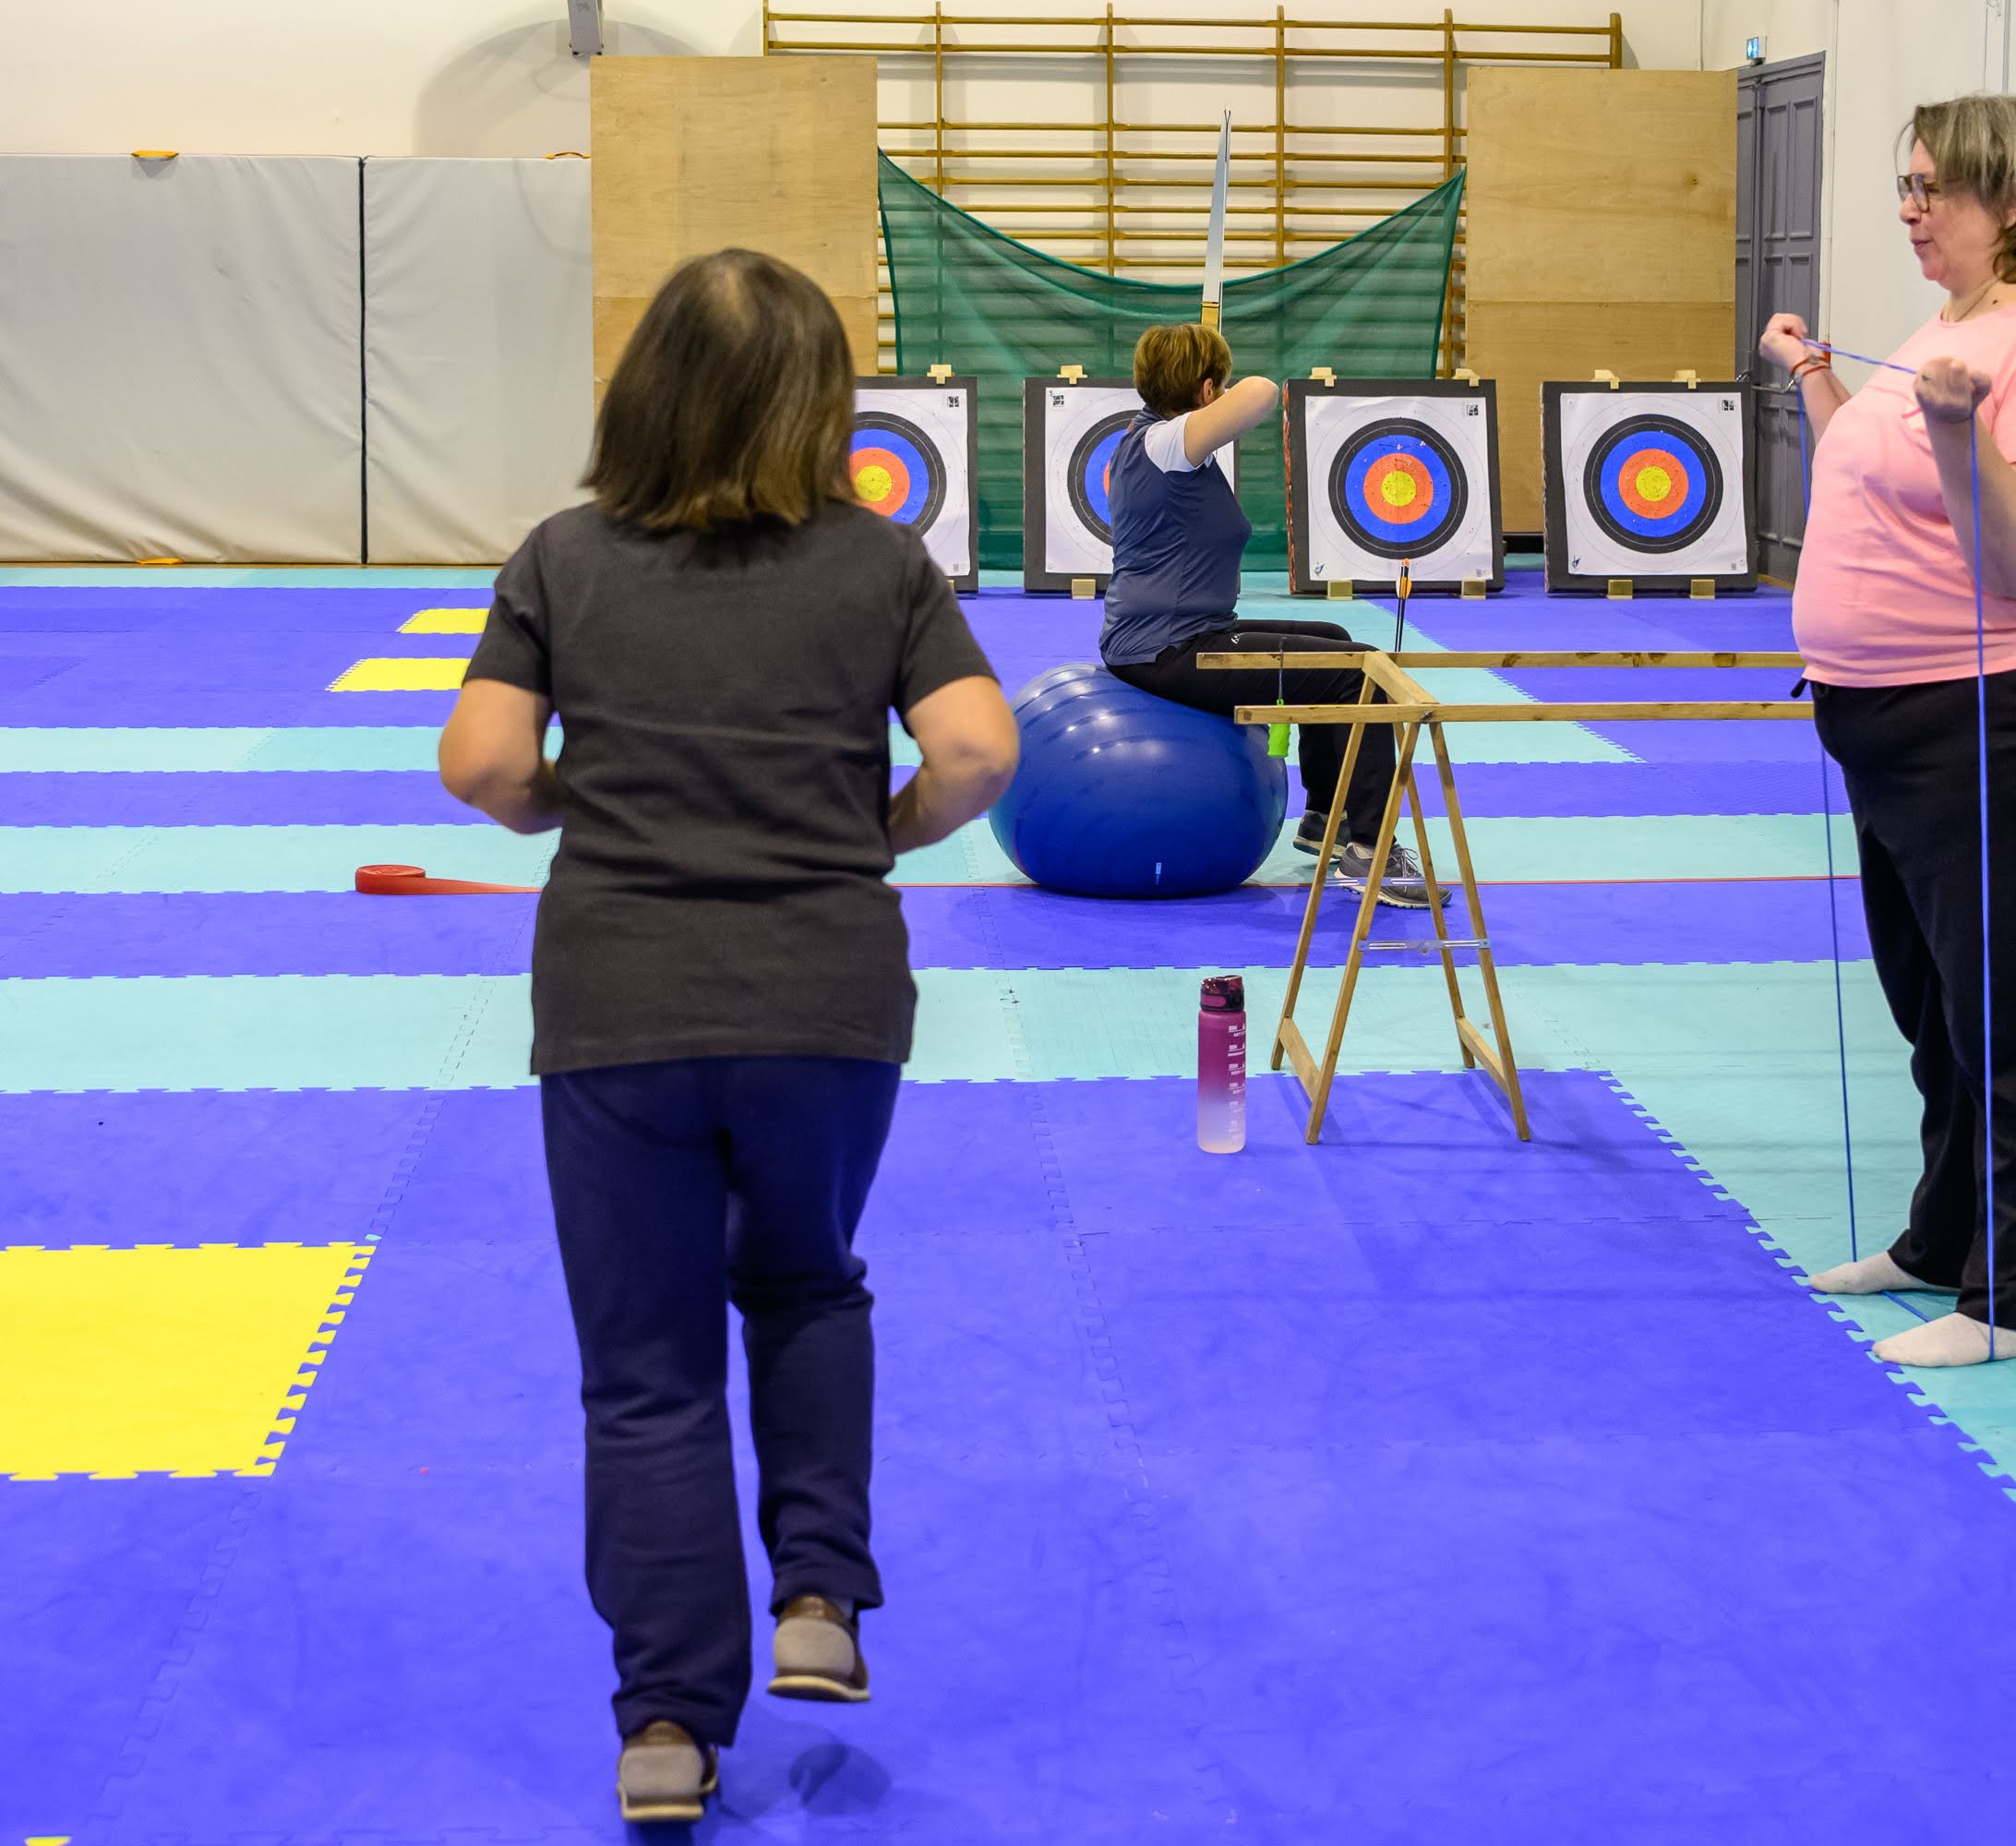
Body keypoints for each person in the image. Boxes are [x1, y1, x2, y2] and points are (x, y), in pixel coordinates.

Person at [436, 248, 1018, 1821]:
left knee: (645, 1373)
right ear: (824, 407)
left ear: (644, 396)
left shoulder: (564, 556)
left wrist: (588, 802)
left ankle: (669, 1731)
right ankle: (817, 1598)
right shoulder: (881, 561)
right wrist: (879, 830)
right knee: (807, 1282)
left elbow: (480, 764)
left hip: (618, 1000)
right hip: (828, 998)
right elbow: (977, 750)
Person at [1758, 94, 2016, 1370]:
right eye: (1910, 184)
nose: (1909, 209)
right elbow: (1876, 489)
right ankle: (1941, 1242)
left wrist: (1950, 428)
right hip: (1902, 722)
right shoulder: (1957, 322)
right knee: (1936, 1004)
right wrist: (1821, 381)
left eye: (1936, 188)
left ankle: (2015, 1303)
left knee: (2015, 1007)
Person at [1098, 321, 1445, 907]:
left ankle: (1324, 816)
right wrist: (1220, 385)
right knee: (1360, 672)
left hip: (1185, 635)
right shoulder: (1164, 444)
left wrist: (1204, 380)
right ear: (1207, 390)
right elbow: (1262, 391)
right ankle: (1369, 847)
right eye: (1218, 383)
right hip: (1167, 651)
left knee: (1334, 639)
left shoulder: (1156, 443)